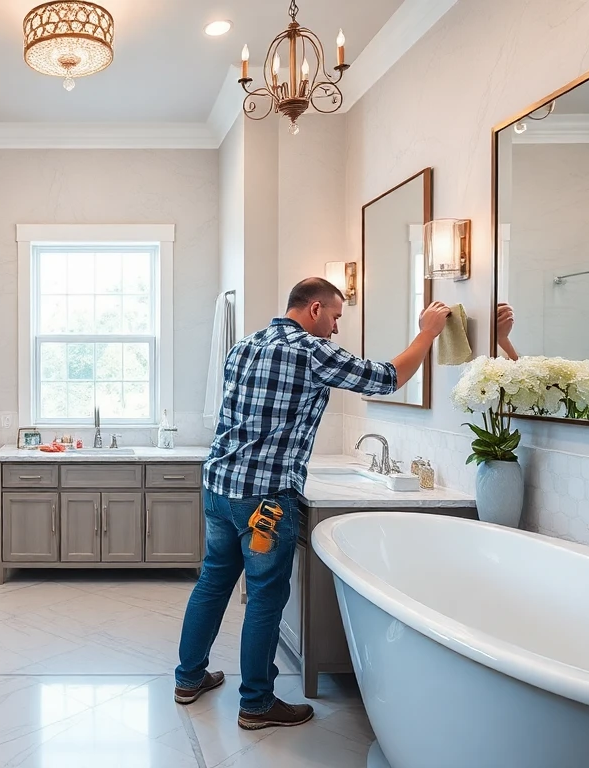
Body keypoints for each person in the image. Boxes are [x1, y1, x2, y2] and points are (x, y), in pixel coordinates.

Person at [174, 277, 451, 730]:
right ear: (315, 308)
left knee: (212, 582)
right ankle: (257, 704)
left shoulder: (245, 345)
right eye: (337, 318)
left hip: (220, 487)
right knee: (265, 598)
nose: (336, 329)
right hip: (265, 499)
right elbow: (387, 378)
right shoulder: (309, 350)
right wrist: (427, 332)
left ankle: (188, 678)